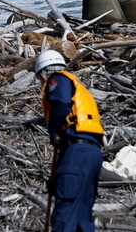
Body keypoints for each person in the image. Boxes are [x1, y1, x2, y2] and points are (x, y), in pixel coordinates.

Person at [35, 50, 104, 232]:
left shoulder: (57, 79)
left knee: (66, 212)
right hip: (93, 152)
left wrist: (54, 131)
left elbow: (61, 104)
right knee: (82, 215)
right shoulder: (78, 86)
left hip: (77, 151)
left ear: (42, 73)